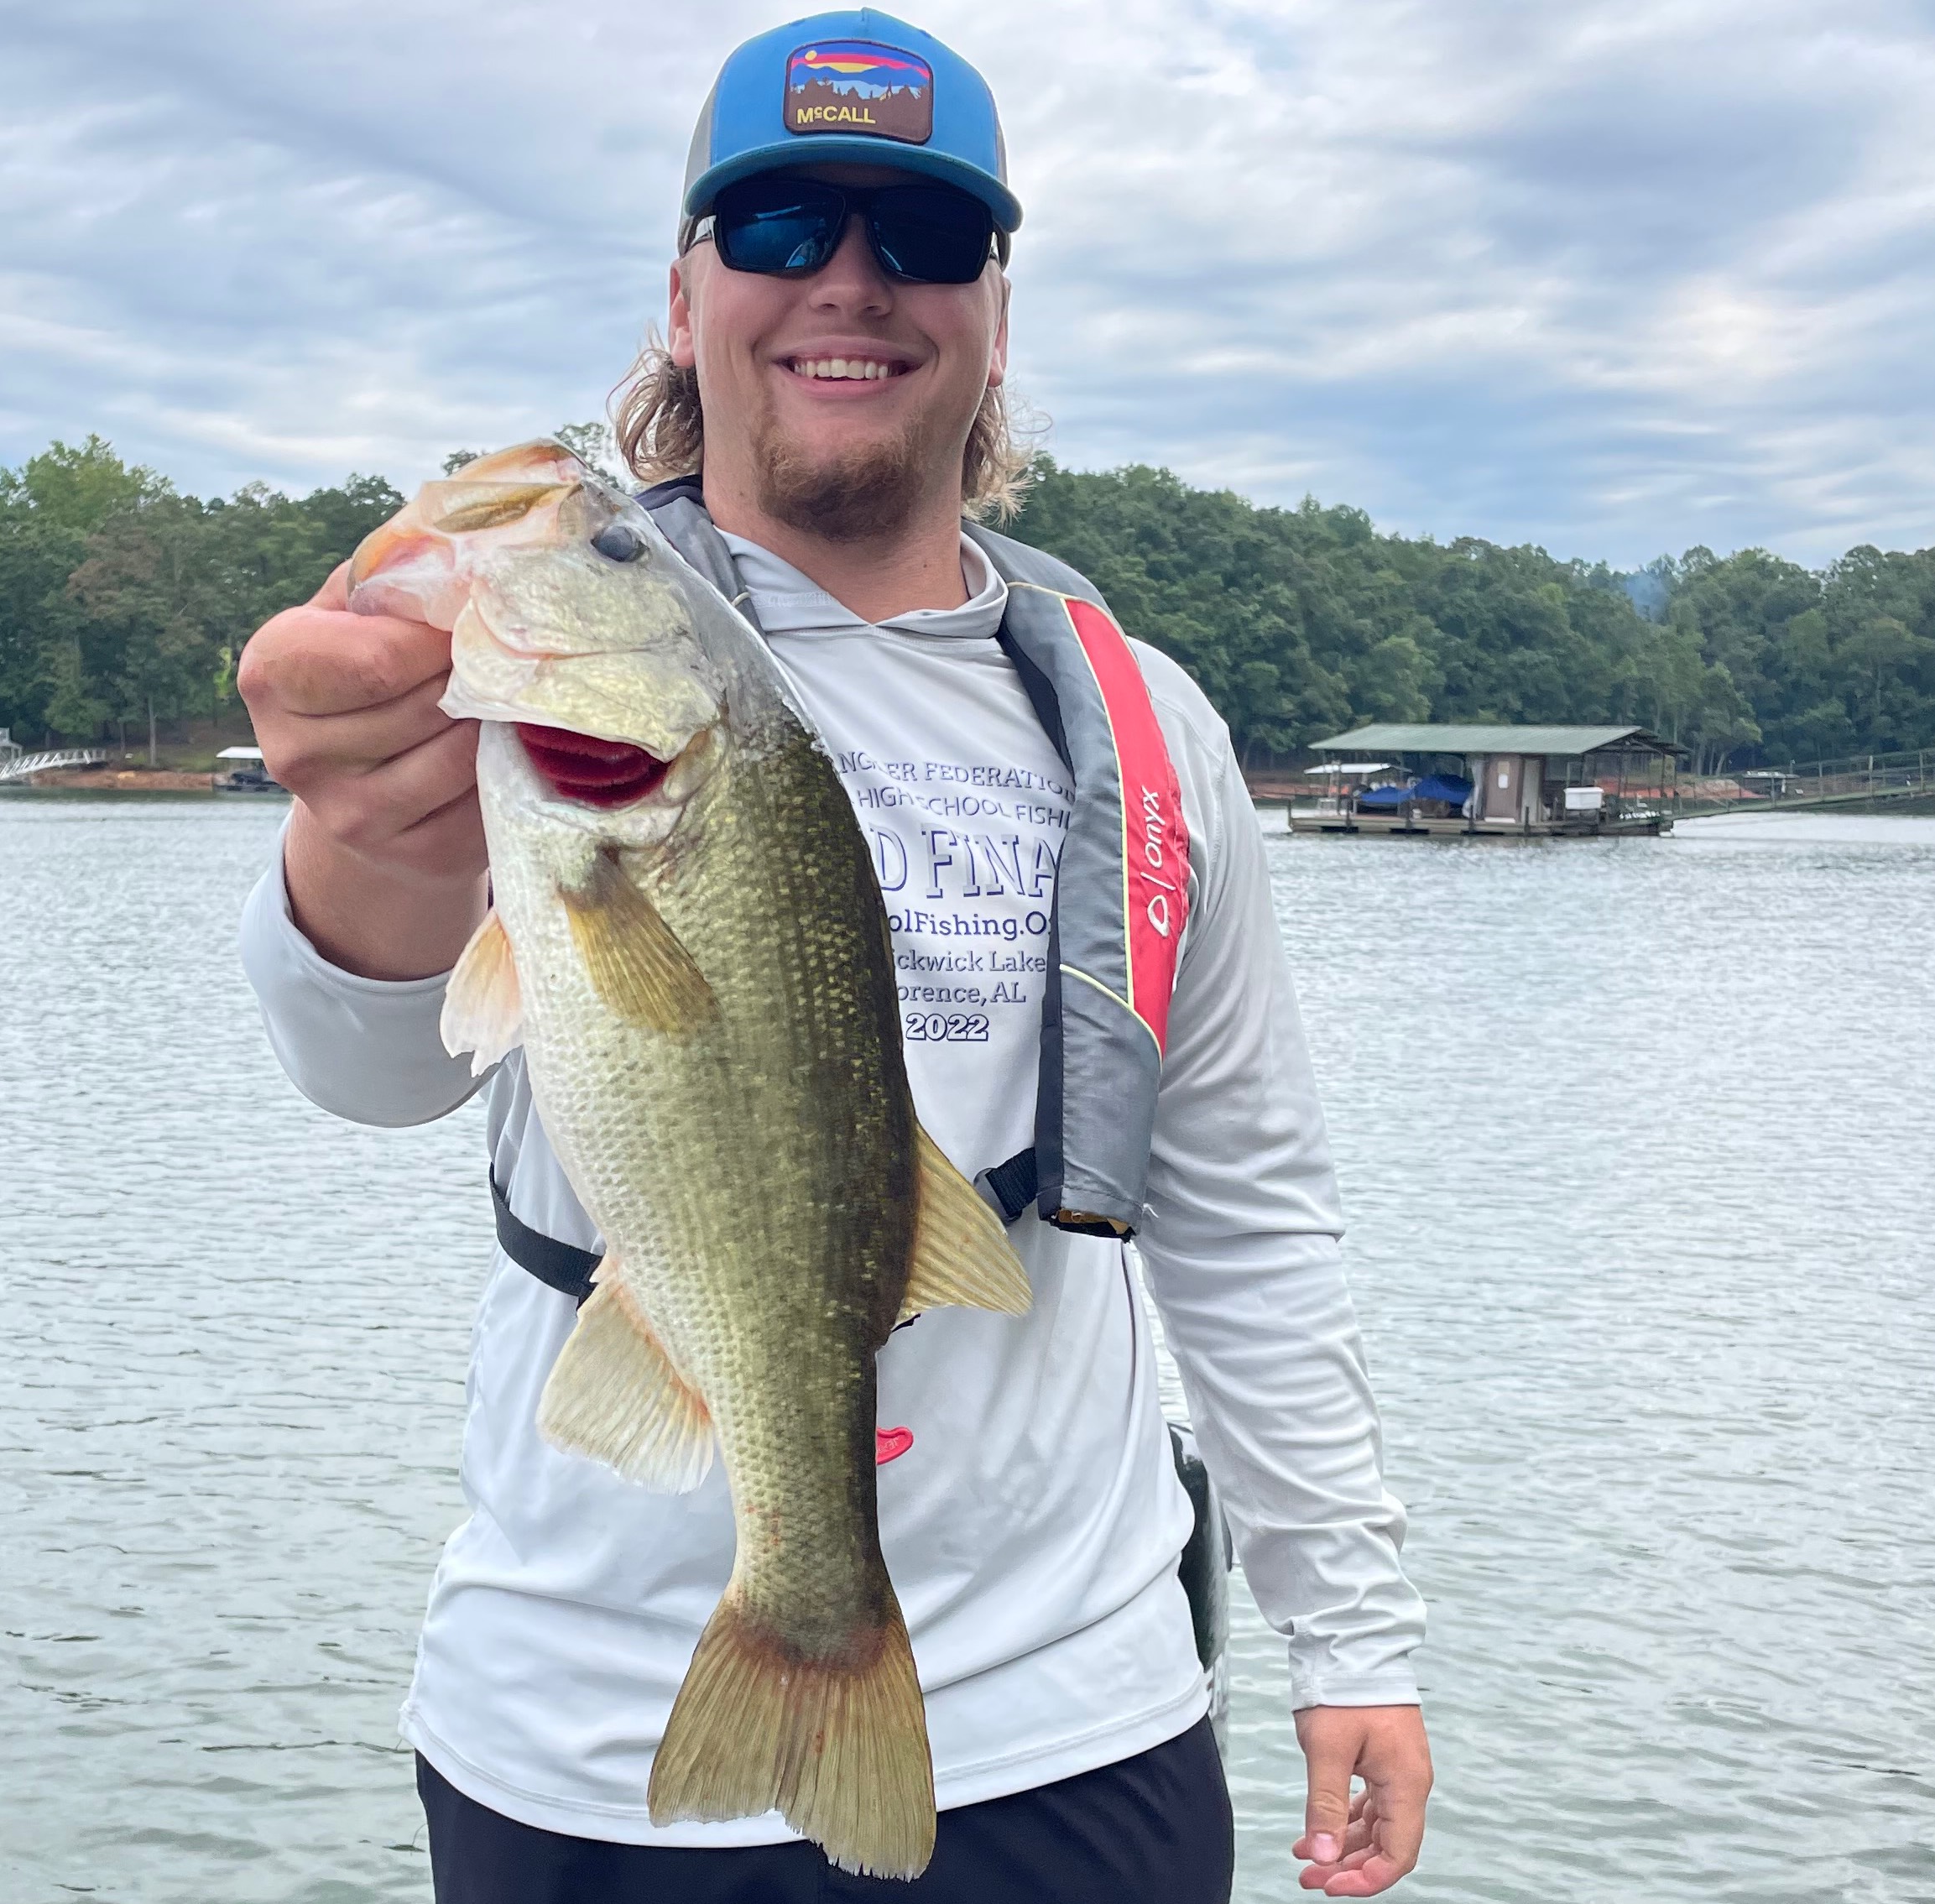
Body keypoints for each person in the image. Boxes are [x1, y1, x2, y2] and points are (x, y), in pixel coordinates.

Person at [235, 11, 1431, 1898]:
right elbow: (366, 1063)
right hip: (586, 1739)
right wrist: (355, 837)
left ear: (996, 310)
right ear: (688, 289)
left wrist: (1351, 1632)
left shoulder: (1148, 724)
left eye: (922, 238)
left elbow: (1250, 1208)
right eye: (782, 226)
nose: (849, 283)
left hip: (1074, 1722)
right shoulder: (526, 677)